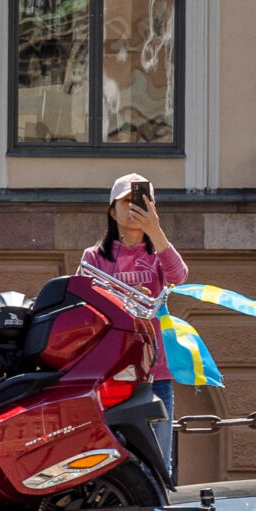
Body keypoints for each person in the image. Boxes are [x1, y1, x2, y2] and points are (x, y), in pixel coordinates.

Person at [80, 172, 188, 473]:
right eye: (125, 201)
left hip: (155, 372)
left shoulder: (158, 256)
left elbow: (179, 277)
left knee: (157, 464)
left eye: (141, 201)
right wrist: (125, 299)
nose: (133, 208)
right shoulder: (95, 256)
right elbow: (87, 309)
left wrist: (156, 231)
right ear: (112, 211)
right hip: (111, 372)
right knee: (112, 461)